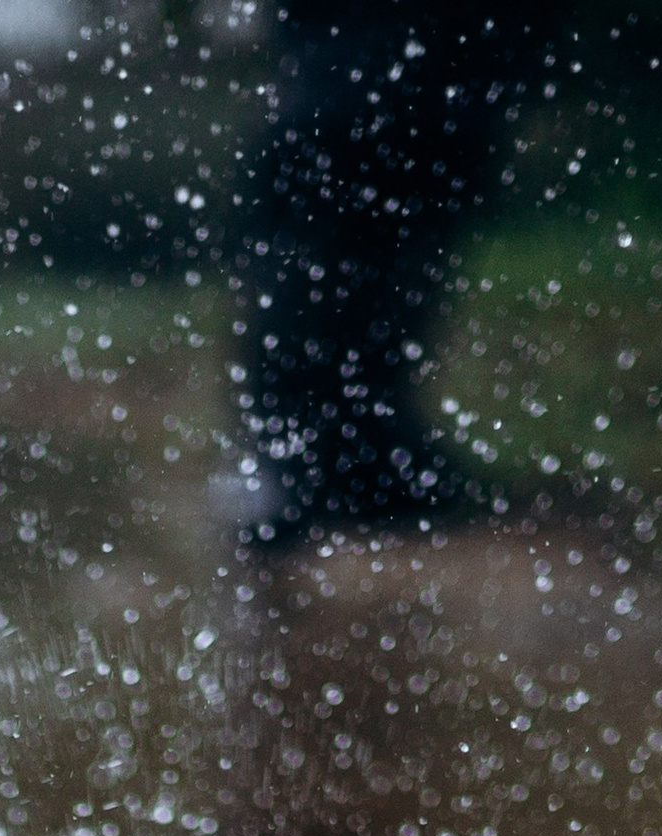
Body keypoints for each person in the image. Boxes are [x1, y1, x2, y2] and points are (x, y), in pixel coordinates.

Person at [234, 0, 558, 546]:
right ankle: (310, 473)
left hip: (396, 102)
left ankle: (358, 464)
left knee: (378, 294)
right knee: (329, 292)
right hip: (364, 105)